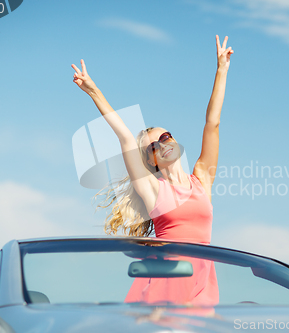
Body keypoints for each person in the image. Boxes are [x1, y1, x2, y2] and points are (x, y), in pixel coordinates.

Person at [71, 35, 234, 305]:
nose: (162, 143)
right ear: (151, 161)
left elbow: (212, 123)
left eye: (166, 136)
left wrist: (221, 70)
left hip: (203, 283)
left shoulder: (201, 181)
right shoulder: (153, 190)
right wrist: (93, 90)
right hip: (165, 285)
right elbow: (124, 136)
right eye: (152, 146)